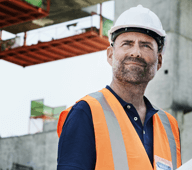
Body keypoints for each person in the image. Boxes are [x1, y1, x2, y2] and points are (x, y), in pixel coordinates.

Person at [57, 4, 182, 170]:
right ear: (110, 55)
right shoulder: (86, 112)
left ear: (159, 61)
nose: (135, 52)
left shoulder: (169, 126)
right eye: (127, 43)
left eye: (146, 45)